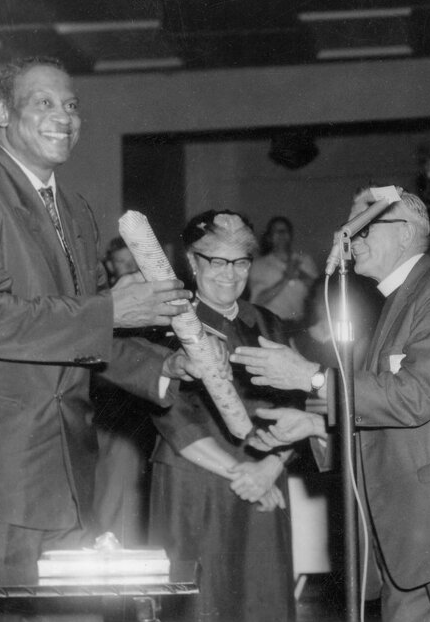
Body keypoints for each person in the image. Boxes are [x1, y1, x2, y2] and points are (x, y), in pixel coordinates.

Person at [230, 191, 430, 621]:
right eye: (348, 230)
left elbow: (417, 396)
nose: (350, 240)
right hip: (411, 534)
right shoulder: (398, 302)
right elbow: (387, 410)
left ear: (404, 234)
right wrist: (315, 425)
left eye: (363, 229)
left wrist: (312, 378)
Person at [0, 56, 191, 583]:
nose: (64, 116)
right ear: (2, 113)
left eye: (71, 105)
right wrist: (111, 309)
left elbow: (87, 331)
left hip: (68, 472)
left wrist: (164, 367)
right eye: (44, 103)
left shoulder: (76, 210)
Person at [148, 210, 301, 622]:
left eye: (241, 262)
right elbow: (171, 414)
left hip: (264, 478)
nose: (230, 274)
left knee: (263, 601)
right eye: (217, 261)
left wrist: (271, 466)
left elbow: (298, 405)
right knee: (202, 604)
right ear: (192, 262)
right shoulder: (168, 323)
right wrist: (243, 473)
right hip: (197, 483)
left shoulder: (266, 322)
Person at [90, 238, 162, 546]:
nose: (130, 267)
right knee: (114, 483)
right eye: (123, 261)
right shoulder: (102, 304)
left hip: (150, 406)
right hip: (111, 407)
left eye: (134, 260)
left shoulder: (156, 302)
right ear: (110, 265)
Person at [248, 215, 318, 322]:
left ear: (290, 235)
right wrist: (285, 279)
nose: (281, 234)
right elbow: (256, 301)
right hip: (271, 324)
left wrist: (300, 274)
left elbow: (319, 290)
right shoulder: (259, 265)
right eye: (276, 231)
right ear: (269, 237)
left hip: (299, 323)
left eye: (284, 231)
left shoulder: (305, 260)